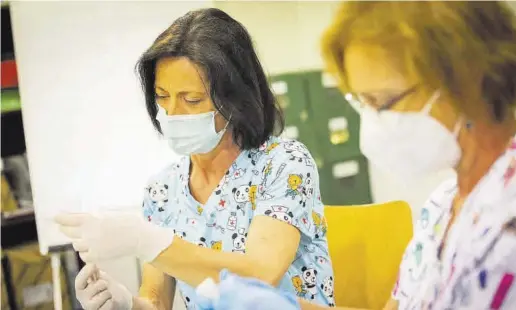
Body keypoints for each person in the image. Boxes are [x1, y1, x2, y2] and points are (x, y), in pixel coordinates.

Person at [196, 2, 516, 310]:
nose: (373, 125)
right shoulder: (442, 206)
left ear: (467, 80)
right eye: (362, 104)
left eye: (383, 102)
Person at [55, 7, 335, 310]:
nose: (172, 113)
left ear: (234, 99)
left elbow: (260, 275)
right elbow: (156, 301)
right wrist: (125, 303)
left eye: (191, 99)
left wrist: (146, 241)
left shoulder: (283, 164)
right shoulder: (163, 191)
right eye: (162, 97)